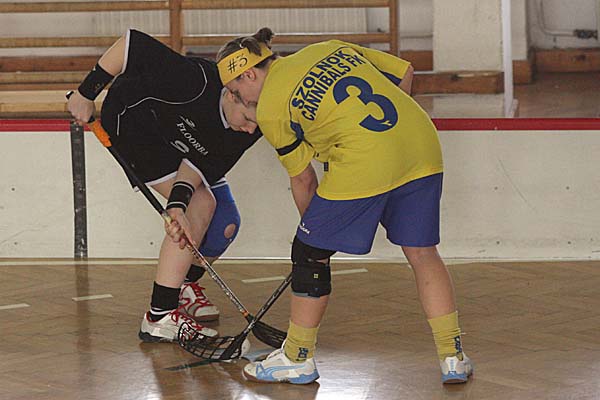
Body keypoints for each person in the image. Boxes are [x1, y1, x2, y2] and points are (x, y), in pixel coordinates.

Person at [215, 28, 473, 384]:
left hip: (364, 159)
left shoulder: (272, 109)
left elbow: (304, 182)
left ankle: (297, 358)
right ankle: (452, 357)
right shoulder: (327, 47)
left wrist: (315, 241)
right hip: (421, 144)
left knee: (308, 254)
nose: (239, 98)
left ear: (248, 74)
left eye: (234, 90)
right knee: (422, 252)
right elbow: (405, 72)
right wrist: (383, 137)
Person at [68, 29, 261, 343]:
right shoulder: (193, 82)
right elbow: (131, 43)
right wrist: (86, 93)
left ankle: (182, 285)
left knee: (224, 222)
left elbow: (198, 167)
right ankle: (160, 316)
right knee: (201, 204)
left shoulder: (250, 126)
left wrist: (177, 204)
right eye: (248, 118)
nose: (251, 129)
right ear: (230, 94)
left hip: (181, 140)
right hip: (136, 127)